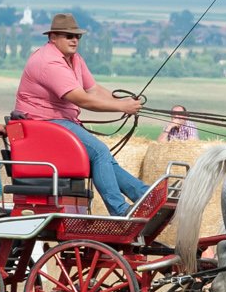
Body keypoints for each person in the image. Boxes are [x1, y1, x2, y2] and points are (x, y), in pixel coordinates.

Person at [15, 12, 150, 216]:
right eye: (69, 36)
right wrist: (122, 107)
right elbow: (81, 99)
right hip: (43, 124)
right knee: (99, 152)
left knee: (105, 159)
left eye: (77, 36)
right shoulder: (49, 62)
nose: (75, 40)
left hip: (61, 122)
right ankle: (120, 210)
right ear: (52, 37)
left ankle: (144, 195)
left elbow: (93, 90)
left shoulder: (74, 59)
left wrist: (122, 103)